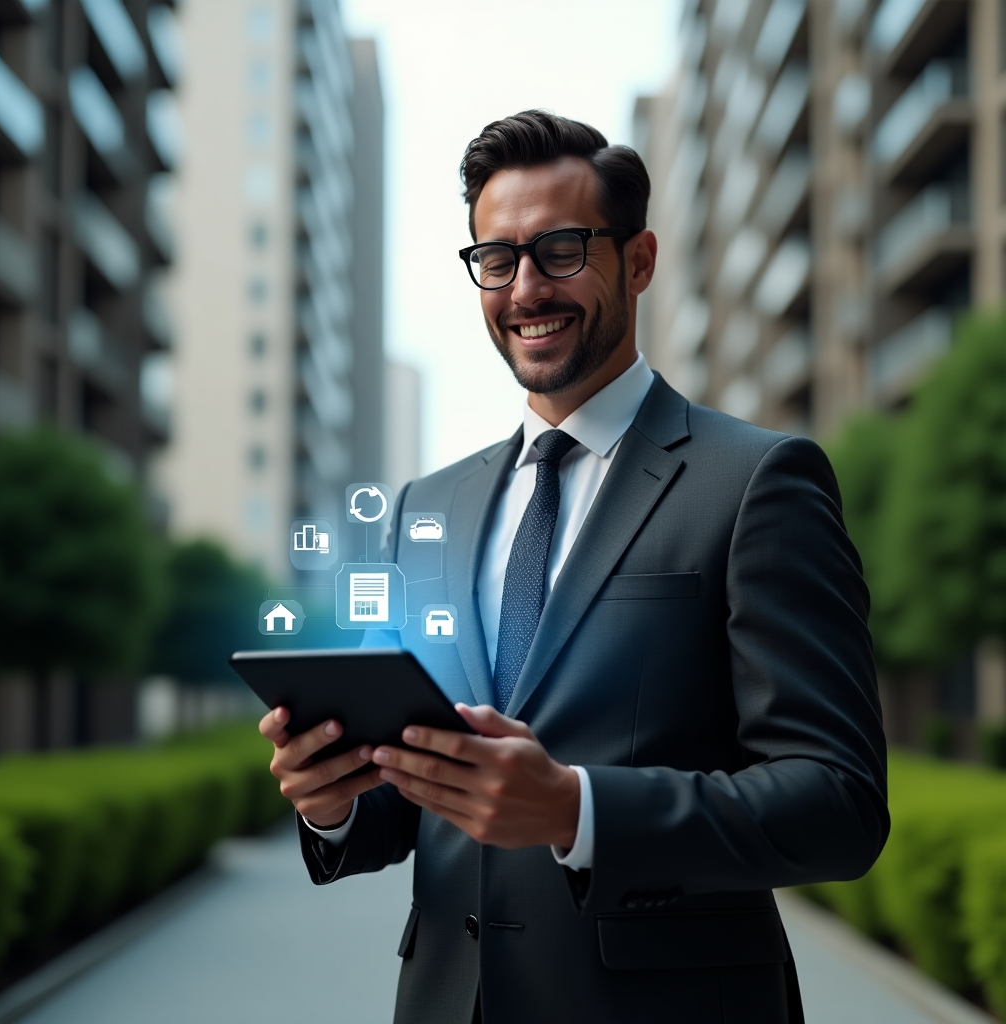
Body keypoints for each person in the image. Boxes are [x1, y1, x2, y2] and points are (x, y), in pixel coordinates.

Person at [260, 110, 889, 1024]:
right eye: (497, 258)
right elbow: (408, 794)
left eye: (560, 250)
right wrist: (333, 802)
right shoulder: (424, 508)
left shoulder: (757, 481)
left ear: (638, 261)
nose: (525, 289)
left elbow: (836, 802)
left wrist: (576, 809)